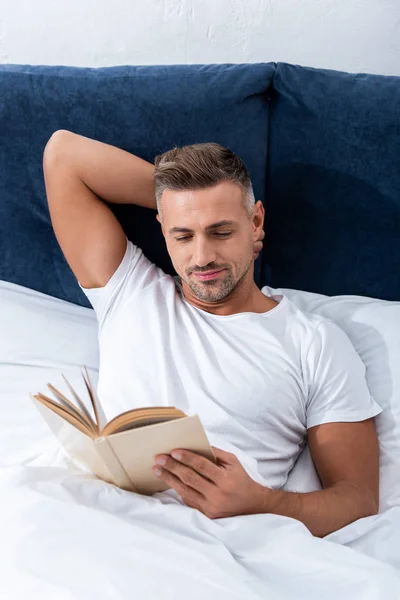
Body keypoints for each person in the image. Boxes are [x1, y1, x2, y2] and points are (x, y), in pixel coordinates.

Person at [43, 130, 382, 537]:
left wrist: (262, 501)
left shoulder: (314, 343)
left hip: (210, 543)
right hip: (91, 519)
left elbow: (359, 498)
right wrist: (176, 200)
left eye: (220, 232)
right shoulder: (129, 291)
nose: (202, 257)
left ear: (256, 222)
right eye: (182, 235)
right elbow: (63, 154)